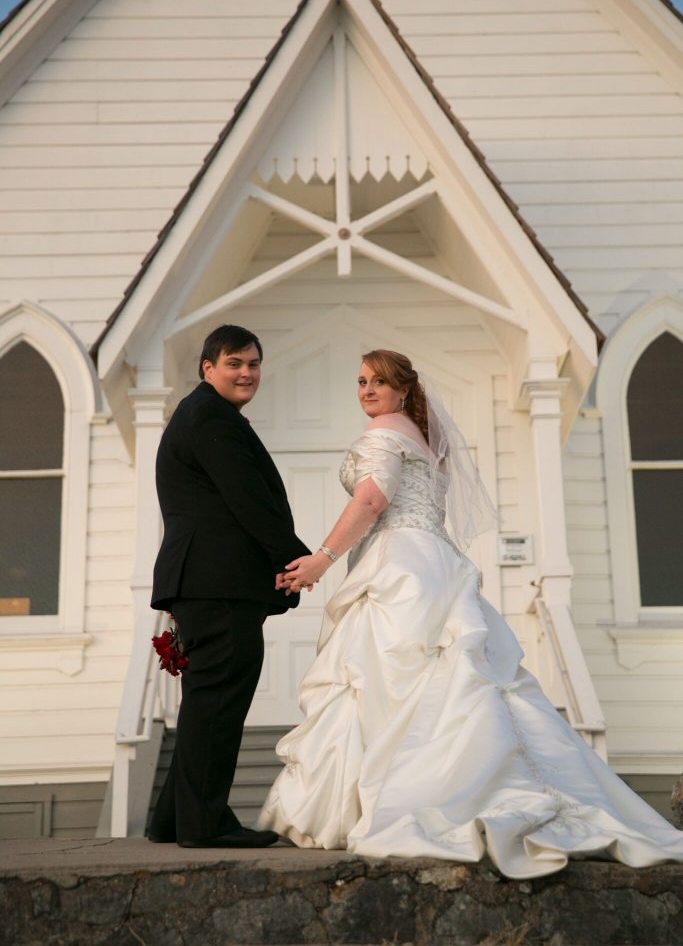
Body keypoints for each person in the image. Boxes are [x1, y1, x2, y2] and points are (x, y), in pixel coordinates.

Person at [256, 349, 683, 878]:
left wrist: (320, 560)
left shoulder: (385, 432)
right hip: (432, 560)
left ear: (403, 389)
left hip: (399, 565)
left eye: (379, 382)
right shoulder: (425, 441)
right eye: (361, 380)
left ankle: (415, 799)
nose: (367, 390)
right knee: (454, 680)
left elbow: (370, 501)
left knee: (388, 681)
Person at [147, 324, 310, 848]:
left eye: (253, 364)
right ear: (207, 368)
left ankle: (174, 819)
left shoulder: (205, 415)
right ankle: (205, 823)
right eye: (234, 363)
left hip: (206, 583)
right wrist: (295, 557)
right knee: (218, 702)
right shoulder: (211, 419)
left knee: (206, 702)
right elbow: (248, 499)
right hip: (217, 585)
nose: (246, 373)